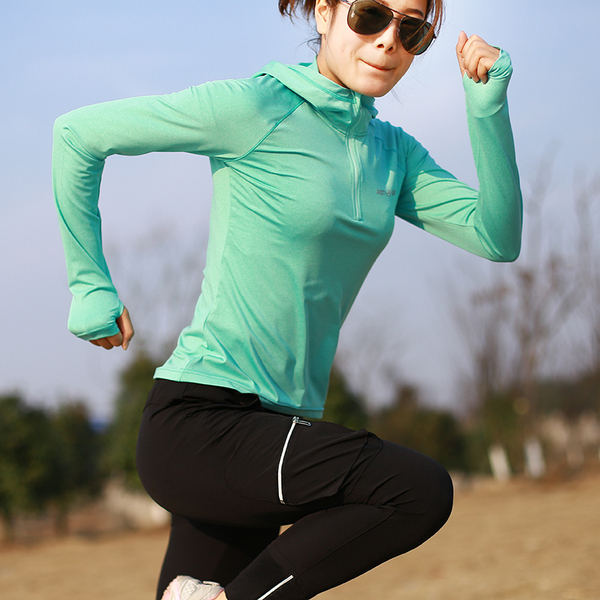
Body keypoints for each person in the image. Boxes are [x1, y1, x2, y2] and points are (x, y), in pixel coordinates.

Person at [52, 0, 522, 599]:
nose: (387, 42)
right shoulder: (256, 108)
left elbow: (496, 236)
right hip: (201, 424)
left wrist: (487, 106)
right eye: (371, 16)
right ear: (325, 13)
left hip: (273, 434)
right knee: (416, 490)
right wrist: (89, 284)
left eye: (411, 30)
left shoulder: (393, 154)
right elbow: (77, 135)